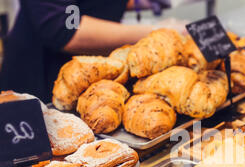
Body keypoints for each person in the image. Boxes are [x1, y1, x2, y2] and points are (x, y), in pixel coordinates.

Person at [0, 0, 161, 103]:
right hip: (40, 77)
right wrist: (158, 32)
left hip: (92, 78)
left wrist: (137, 3)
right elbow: (65, 27)